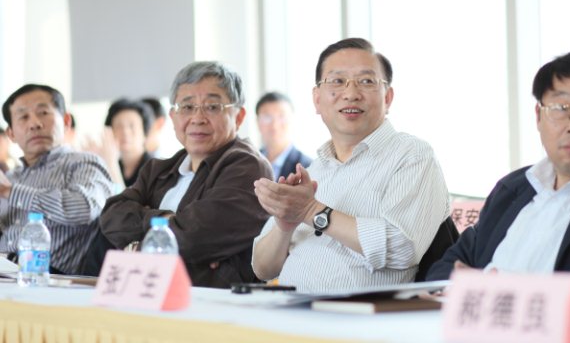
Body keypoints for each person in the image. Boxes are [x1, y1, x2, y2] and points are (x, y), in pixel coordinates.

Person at [425, 50, 570, 315]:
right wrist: (459, 285)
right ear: (539, 116)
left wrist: (498, 295)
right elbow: (447, 267)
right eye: (560, 109)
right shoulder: (513, 188)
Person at [252, 38, 451, 292]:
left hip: (360, 314)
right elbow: (262, 268)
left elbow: (402, 249)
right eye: (337, 81)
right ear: (317, 99)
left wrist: (312, 211)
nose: (351, 93)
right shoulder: (315, 169)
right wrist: (285, 225)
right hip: (287, 309)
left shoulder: (412, 155)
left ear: (388, 97)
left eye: (366, 81)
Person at [91, 61, 272, 288]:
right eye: (187, 107)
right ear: (173, 117)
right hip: (144, 294)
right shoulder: (159, 169)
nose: (197, 118)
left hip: (209, 302)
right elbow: (111, 217)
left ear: (238, 116)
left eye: (212, 107)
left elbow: (195, 238)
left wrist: (136, 245)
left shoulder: (248, 167)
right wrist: (167, 222)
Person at [0, 84, 114, 274]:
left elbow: (85, 208)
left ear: (66, 121)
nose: (34, 124)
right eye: (23, 117)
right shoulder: (11, 177)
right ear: (11, 133)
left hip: (52, 281)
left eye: (43, 113)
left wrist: (10, 192)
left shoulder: (84, 163)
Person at [86, 98, 153, 187]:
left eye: (132, 126)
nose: (125, 132)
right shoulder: (116, 163)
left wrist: (111, 164)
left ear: (145, 133)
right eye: (119, 126)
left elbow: (125, 196)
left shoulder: (154, 169)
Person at [256, 91, 312, 180]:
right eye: (267, 117)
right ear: (258, 122)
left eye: (282, 117)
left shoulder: (308, 167)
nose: (275, 125)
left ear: (293, 120)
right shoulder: (249, 162)